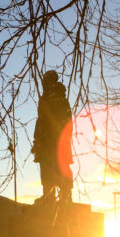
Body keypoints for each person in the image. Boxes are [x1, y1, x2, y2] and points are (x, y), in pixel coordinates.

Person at [32, 70, 72, 203]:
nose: (44, 83)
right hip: (45, 140)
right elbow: (41, 120)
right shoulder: (44, 99)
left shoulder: (59, 97)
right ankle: (49, 196)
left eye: (46, 80)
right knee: (46, 167)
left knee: (60, 166)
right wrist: (37, 139)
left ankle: (65, 195)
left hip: (56, 140)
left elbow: (66, 120)